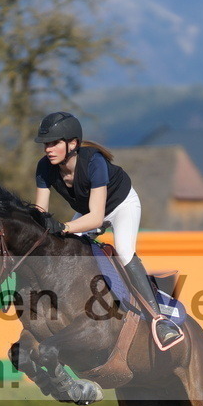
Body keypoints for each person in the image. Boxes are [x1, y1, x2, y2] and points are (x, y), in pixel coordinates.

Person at [32, 111, 184, 350]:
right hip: (90, 210)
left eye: (53, 143)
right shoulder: (44, 168)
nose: (47, 149)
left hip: (120, 206)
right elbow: (39, 212)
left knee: (124, 252)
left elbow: (96, 218)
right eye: (45, 144)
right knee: (66, 251)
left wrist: (63, 226)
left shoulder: (94, 162)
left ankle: (159, 319)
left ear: (72, 144)